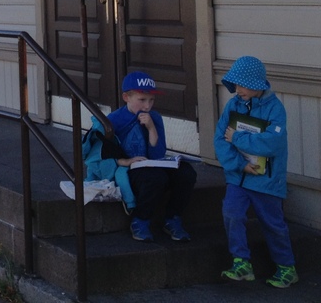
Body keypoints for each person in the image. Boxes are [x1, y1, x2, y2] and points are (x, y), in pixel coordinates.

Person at [214, 56, 298, 288]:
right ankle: (241, 263)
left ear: (256, 84)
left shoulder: (275, 109)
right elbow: (220, 139)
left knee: (273, 223)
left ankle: (287, 268)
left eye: (242, 84)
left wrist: (238, 138)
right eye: (235, 84)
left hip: (266, 181)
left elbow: (273, 143)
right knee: (232, 213)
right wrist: (239, 165)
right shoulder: (233, 105)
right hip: (238, 177)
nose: (237, 89)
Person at [92, 71, 197, 242]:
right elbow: (100, 153)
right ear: (126, 97)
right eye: (142, 100)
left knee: (186, 173)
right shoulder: (113, 120)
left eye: (151, 100)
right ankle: (140, 220)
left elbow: (157, 154)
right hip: (130, 168)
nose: (147, 106)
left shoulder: (154, 117)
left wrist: (151, 128)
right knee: (155, 178)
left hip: (151, 163)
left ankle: (173, 218)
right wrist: (125, 161)